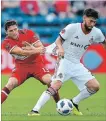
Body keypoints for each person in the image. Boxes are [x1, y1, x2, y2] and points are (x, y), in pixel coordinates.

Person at [28, 8, 106, 116]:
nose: (92, 24)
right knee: (56, 85)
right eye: (90, 21)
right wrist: (60, 48)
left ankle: (74, 102)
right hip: (64, 61)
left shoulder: (97, 33)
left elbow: (103, 42)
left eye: (94, 21)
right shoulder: (72, 28)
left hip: (76, 64)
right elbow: (58, 40)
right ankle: (35, 110)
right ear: (84, 18)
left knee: (95, 86)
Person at [1, 20, 60, 115]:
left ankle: (59, 104)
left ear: (18, 28)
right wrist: (36, 50)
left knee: (50, 81)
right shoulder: (6, 42)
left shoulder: (28, 33)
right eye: (11, 31)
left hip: (37, 64)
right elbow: (22, 52)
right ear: (6, 32)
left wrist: (34, 49)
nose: (14, 32)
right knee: (10, 84)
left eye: (15, 29)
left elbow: (40, 46)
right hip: (21, 67)